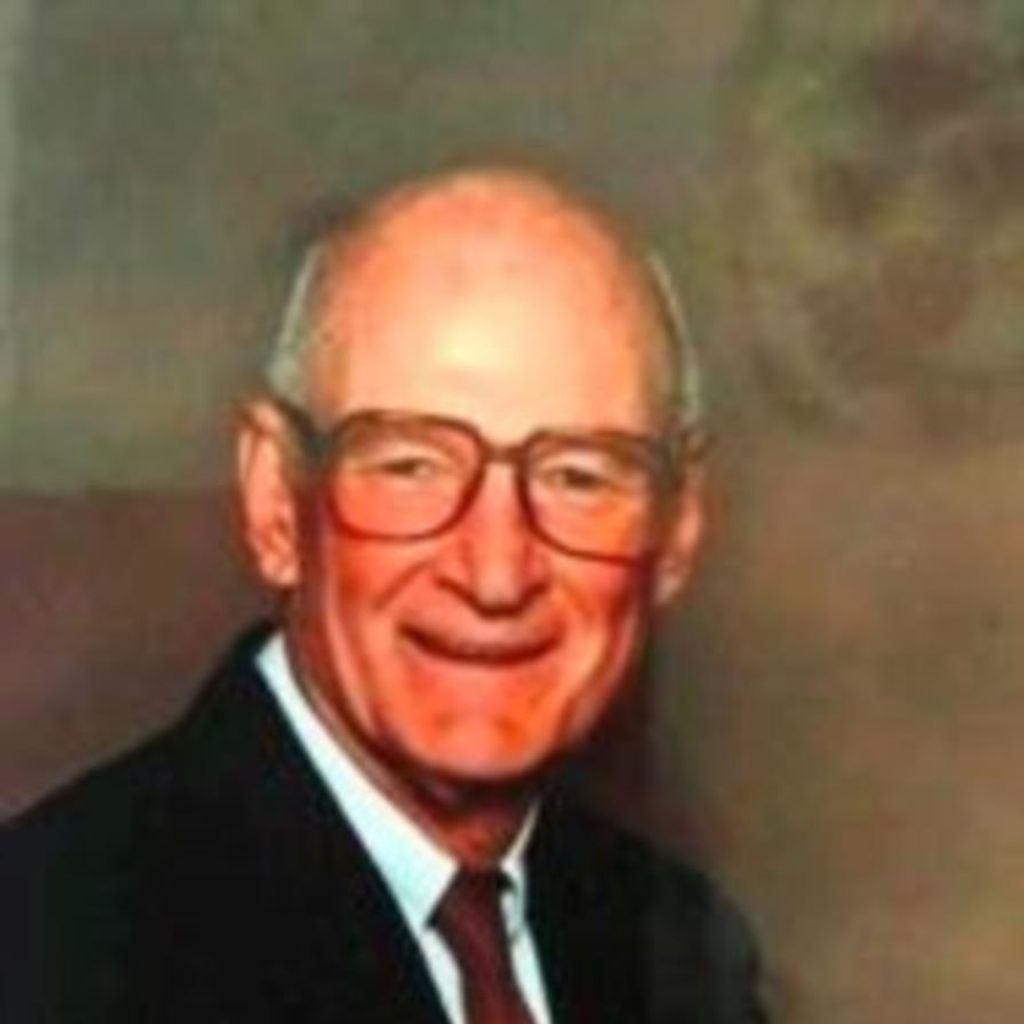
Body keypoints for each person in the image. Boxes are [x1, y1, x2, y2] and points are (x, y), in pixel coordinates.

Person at [3, 167, 767, 1023]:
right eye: (411, 466)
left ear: (677, 531)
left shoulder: (677, 955)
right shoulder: (52, 946)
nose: (496, 574)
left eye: (578, 477)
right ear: (275, 501)